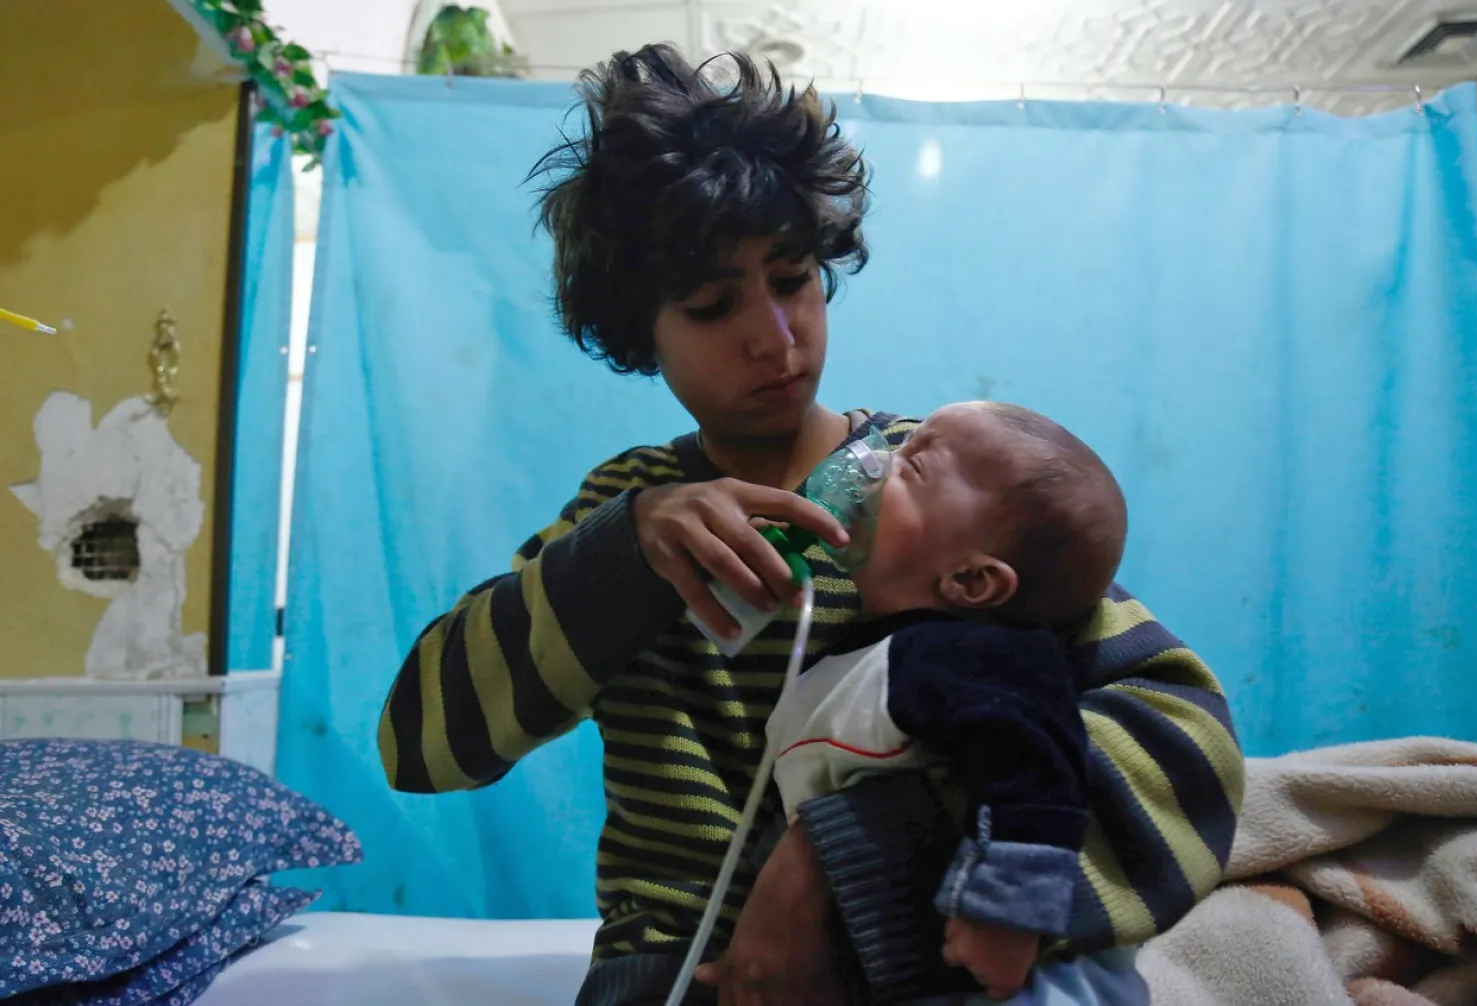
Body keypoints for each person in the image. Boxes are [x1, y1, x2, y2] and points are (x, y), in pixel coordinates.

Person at [377, 43, 1245, 1006]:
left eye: (792, 280)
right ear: (637, 331)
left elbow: (1189, 755)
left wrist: (856, 854)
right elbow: (421, 749)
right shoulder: (626, 517)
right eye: (711, 305)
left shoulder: (941, 501)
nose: (775, 340)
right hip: (670, 971)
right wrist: (627, 549)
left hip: (902, 961)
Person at [765, 400, 1133, 1002]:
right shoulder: (854, 661)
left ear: (971, 581)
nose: (872, 458)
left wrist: (1009, 912)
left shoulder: (973, 655)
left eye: (912, 466)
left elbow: (1036, 759)